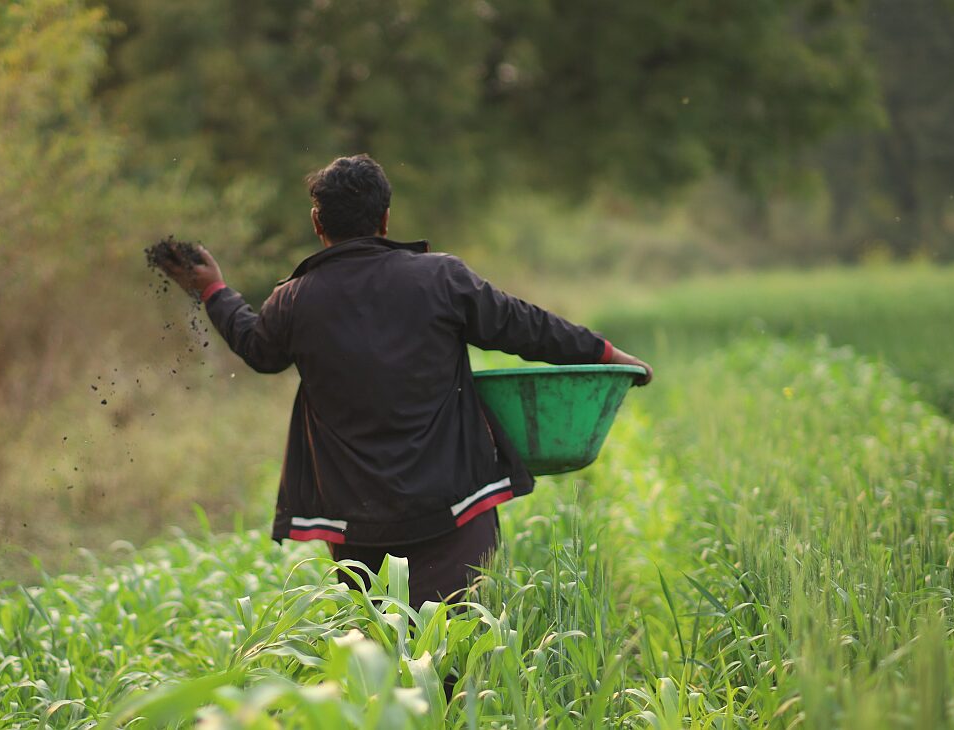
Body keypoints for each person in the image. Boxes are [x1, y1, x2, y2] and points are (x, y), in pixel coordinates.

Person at [157, 154, 652, 605]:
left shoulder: (294, 300)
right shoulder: (440, 279)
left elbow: (258, 350)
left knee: (383, 648)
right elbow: (529, 329)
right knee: (455, 642)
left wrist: (213, 289)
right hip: (454, 503)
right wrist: (608, 354)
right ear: (385, 219)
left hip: (356, 518)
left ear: (316, 223)